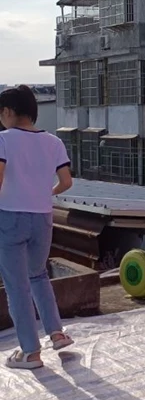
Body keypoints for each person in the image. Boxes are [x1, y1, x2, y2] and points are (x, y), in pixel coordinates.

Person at [0, 85, 75, 369]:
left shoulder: (3, 140)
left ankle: (30, 352)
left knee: (16, 285)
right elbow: (66, 182)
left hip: (9, 217)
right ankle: (56, 333)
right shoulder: (54, 142)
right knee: (39, 275)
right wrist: (44, 193)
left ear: (7, 111)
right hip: (43, 217)